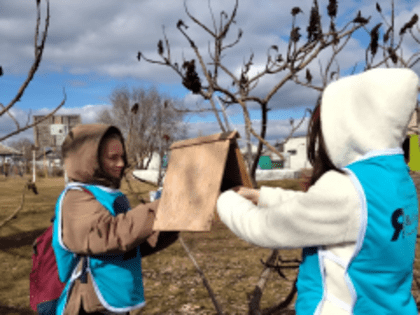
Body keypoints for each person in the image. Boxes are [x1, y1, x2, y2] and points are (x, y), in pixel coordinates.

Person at [217, 68, 419, 314]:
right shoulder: (397, 178)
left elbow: (265, 227)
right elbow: (326, 209)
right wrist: (261, 196)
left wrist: (223, 198)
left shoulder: (345, 188)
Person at [52, 124, 178, 315]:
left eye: (122, 157)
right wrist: (163, 206)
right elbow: (109, 234)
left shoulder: (111, 196)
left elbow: (129, 245)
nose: (121, 164)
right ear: (90, 161)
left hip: (112, 299)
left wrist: (169, 224)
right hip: (90, 304)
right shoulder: (75, 198)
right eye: (113, 158)